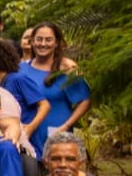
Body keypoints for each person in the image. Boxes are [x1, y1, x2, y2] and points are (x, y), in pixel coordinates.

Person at [16, 21, 92, 153]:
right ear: (32, 42)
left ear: (56, 43)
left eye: (48, 40)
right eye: (39, 39)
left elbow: (85, 100)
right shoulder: (20, 69)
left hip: (57, 136)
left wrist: (66, 126)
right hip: (27, 137)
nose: (43, 44)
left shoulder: (66, 68)